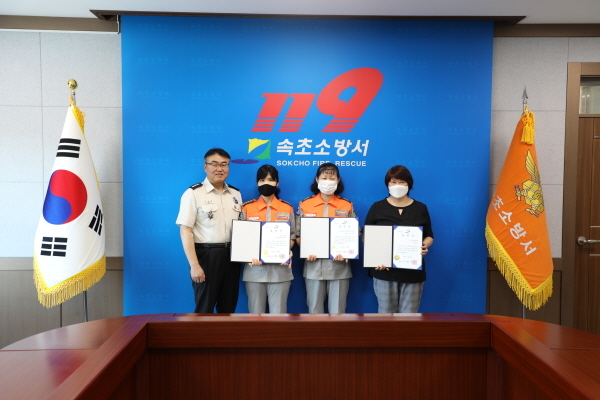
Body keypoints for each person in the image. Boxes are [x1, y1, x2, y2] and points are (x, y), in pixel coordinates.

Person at [176, 148, 243, 313]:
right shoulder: (193, 193)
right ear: (205, 166)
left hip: (232, 257)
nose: (220, 169)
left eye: (224, 164)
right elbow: (185, 230)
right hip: (206, 257)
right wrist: (194, 265)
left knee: (228, 307)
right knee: (204, 308)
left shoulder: (235, 194)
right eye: (214, 164)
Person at [364, 165, 434, 313]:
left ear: (409, 184)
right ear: (387, 184)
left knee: (409, 316)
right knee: (385, 314)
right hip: (384, 270)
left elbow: (429, 236)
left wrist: (424, 245)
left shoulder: (420, 208)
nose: (397, 186)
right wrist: (375, 257)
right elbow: (366, 236)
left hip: (412, 270)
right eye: (393, 182)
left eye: (402, 182)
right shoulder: (377, 207)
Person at [296, 163, 356, 314]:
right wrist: (306, 250)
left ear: (338, 180)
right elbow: (297, 234)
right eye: (324, 178)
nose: (328, 181)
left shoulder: (346, 205)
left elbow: (353, 235)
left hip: (339, 267)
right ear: (317, 179)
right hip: (313, 266)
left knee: (338, 313)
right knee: (314, 313)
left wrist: (347, 252)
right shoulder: (305, 204)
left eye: (332, 178)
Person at [241, 165, 295, 314]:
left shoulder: (287, 208)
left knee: (279, 317)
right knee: (255, 316)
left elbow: (292, 236)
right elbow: (241, 238)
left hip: (280, 271)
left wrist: (287, 250)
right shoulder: (247, 208)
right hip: (254, 270)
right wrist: (248, 255)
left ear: (277, 182)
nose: (266, 183)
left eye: (271, 180)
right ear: (257, 182)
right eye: (262, 180)